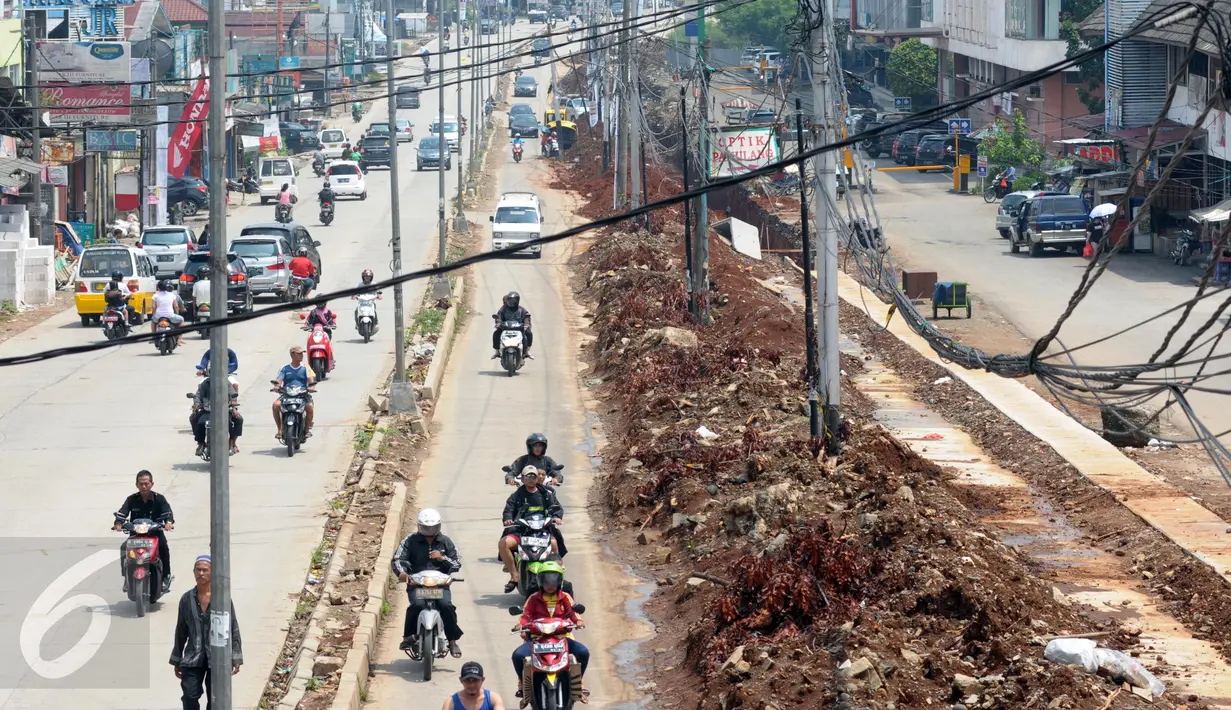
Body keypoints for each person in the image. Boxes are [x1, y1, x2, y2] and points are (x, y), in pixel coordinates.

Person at [170, 555, 242, 710]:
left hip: (217, 658)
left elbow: (233, 627)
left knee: (215, 698)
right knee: (189, 695)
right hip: (192, 657)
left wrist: (235, 656)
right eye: (198, 570)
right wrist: (177, 658)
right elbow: (181, 630)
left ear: (212, 573)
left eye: (205, 570)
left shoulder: (222, 599)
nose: (201, 573)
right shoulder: (186, 599)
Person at [511, 560, 589, 705]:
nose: (550, 585)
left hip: (561, 638)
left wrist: (578, 621)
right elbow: (526, 615)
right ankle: (523, 685)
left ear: (559, 581)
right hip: (537, 638)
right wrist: (520, 625)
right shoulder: (533, 598)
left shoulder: (565, 597)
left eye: (553, 581)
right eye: (546, 581)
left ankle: (578, 686)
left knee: (583, 652)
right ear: (540, 581)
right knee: (518, 656)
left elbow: (573, 612)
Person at [392, 508, 464, 659]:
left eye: (433, 527)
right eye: (426, 527)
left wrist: (442, 558)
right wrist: (403, 573)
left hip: (440, 585)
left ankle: (452, 640)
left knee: (446, 606)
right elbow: (397, 559)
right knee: (416, 606)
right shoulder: (410, 541)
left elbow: (457, 562)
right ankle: (408, 637)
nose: (430, 531)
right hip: (417, 584)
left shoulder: (446, 542)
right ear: (419, 526)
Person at [500, 466, 564, 593]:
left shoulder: (546, 494)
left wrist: (556, 517)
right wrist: (508, 519)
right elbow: (509, 510)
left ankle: (558, 574)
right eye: (528, 476)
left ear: (537, 478)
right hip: (521, 532)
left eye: (533, 476)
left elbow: (557, 507)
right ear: (523, 479)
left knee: (554, 543)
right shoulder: (516, 496)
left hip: (542, 532)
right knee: (504, 543)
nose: (531, 479)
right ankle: (514, 576)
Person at [114, 470, 175, 592]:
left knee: (163, 547)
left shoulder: (159, 499)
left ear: (152, 484)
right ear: (137, 484)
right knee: (123, 548)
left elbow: (168, 512)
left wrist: (168, 523)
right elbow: (122, 512)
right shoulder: (131, 499)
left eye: (146, 483)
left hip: (155, 534)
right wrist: (118, 523)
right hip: (136, 535)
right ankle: (126, 578)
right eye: (141, 484)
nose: (144, 486)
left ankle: (165, 577)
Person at [190, 369, 243, 456]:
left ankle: (232, 442)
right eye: (212, 373)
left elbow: (233, 394)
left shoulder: (226, 383)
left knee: (237, 420)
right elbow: (198, 395)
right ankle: (200, 443)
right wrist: (196, 403)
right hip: (207, 411)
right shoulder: (205, 384)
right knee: (196, 421)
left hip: (223, 411)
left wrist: (233, 403)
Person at [272, 345, 316, 442]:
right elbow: (279, 380)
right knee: (276, 405)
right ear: (292, 355)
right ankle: (280, 430)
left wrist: (311, 387)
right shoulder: (285, 368)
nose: (301, 356)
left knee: (310, 407)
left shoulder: (305, 368)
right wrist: (276, 386)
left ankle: (306, 430)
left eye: (302, 353)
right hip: (287, 395)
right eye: (299, 354)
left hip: (302, 395)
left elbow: (311, 380)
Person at [492, 291, 532, 359]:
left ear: (517, 300)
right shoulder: (503, 309)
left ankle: (527, 351)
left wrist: (526, 324)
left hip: (519, 328)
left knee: (529, 333)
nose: (511, 302)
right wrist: (498, 323)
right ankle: (497, 351)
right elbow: (499, 316)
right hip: (506, 328)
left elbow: (526, 317)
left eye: (513, 300)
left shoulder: (522, 309)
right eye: (510, 300)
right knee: (496, 333)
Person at [152, 280, 186, 346]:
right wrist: (177, 314)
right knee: (181, 319)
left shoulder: (155, 296)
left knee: (153, 321)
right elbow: (176, 306)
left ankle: (153, 337)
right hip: (170, 316)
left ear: (158, 288)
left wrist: (154, 315)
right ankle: (180, 338)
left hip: (158, 317)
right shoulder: (172, 295)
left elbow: (153, 307)